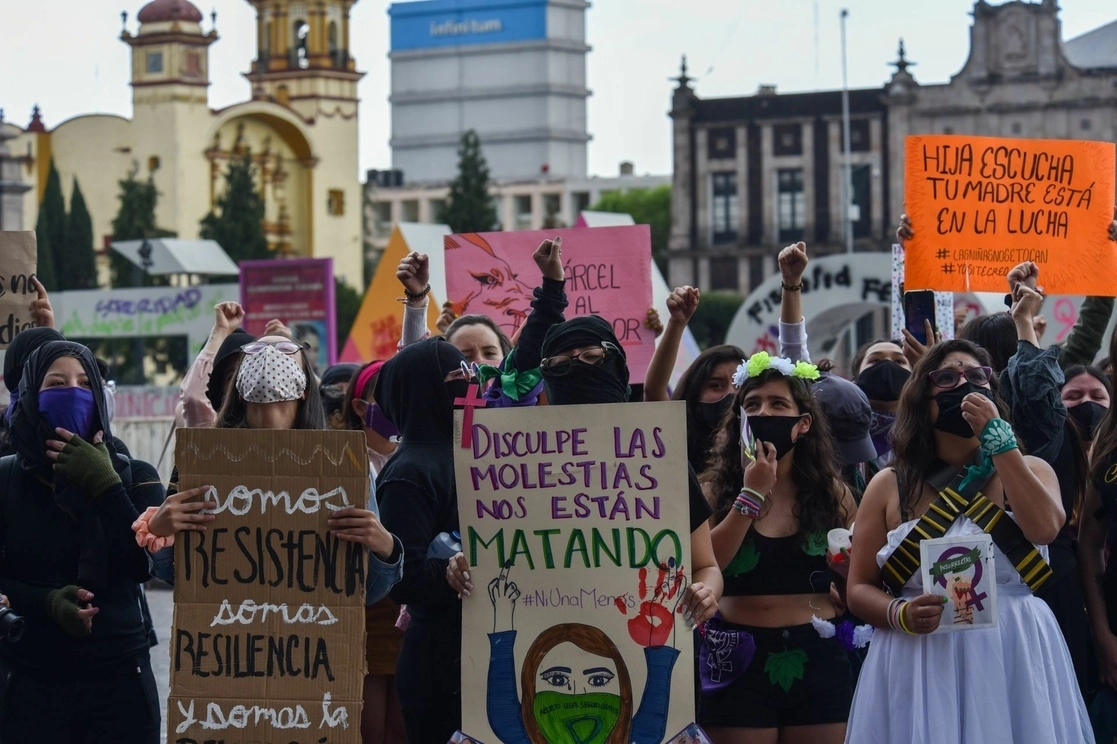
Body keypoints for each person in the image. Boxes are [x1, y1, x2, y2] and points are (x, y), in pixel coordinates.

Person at [846, 339, 1092, 743]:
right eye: (947, 378)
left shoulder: (1031, 469)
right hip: (921, 656)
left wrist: (1000, 442)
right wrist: (899, 613)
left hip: (1012, 650)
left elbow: (1046, 528)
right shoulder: (890, 485)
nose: (964, 384)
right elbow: (858, 587)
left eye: (977, 376)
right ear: (921, 400)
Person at [0, 340, 162, 743]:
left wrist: (106, 486)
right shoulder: (5, 479)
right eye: (56, 383)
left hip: (121, 682)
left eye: (85, 383)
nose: (73, 391)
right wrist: (46, 603)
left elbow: (143, 566)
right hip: (30, 684)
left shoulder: (134, 474)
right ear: (32, 396)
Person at [698, 349, 857, 744]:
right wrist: (751, 495)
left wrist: (848, 573)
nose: (764, 413)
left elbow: (861, 578)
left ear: (803, 424)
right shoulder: (713, 491)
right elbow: (706, 563)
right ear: (740, 420)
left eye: (777, 403)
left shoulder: (832, 493)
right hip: (735, 657)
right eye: (752, 404)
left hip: (819, 657)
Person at [374, 337, 472, 743]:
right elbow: (403, 577)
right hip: (439, 659)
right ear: (421, 390)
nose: (470, 384)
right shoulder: (408, 473)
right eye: (457, 376)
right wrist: (456, 569)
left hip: (483, 648)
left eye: (473, 374)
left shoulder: (479, 450)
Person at [340, 358, 407, 743]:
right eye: (383, 396)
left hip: (403, 614)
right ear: (359, 406)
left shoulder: (418, 457)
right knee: (365, 727)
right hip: (357, 613)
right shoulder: (338, 460)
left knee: (400, 726)